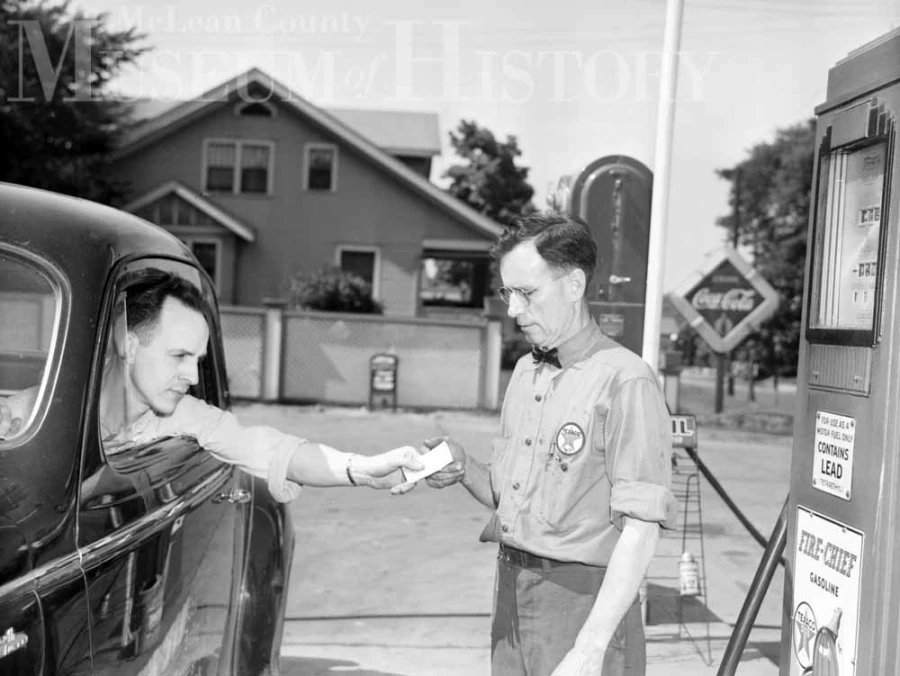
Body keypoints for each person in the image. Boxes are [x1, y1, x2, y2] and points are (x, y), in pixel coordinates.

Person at [424, 213, 677, 676]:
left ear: (574, 284)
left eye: (528, 293)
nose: (514, 309)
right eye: (508, 293)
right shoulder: (526, 373)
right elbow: (508, 497)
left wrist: (589, 647)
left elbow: (642, 530)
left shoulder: (626, 380)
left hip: (584, 604)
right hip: (512, 594)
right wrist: (463, 468)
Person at [0, 269, 422, 498]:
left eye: (198, 360)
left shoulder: (184, 416)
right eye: (179, 356)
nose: (193, 376)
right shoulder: (26, 418)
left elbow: (274, 449)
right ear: (128, 344)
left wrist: (361, 469)